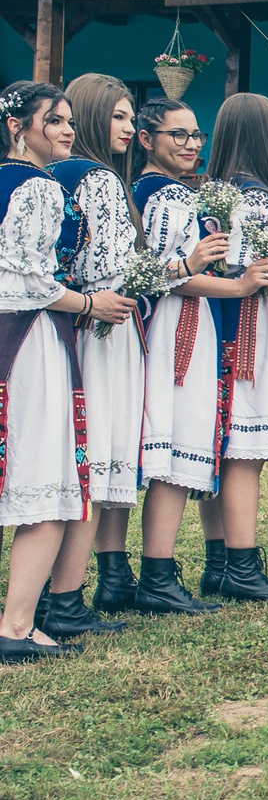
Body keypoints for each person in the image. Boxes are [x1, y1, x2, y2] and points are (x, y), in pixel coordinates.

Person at [0, 82, 135, 659]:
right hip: (30, 337)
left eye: (69, 121)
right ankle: (16, 626)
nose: (65, 130)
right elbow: (28, 280)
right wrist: (87, 304)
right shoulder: (37, 186)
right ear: (17, 127)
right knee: (49, 478)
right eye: (53, 120)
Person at [198, 93, 268, 603]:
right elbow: (263, 277)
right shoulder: (259, 197)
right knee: (244, 447)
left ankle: (218, 559)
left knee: (225, 444)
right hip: (251, 327)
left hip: (216, 321)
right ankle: (241, 565)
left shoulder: (212, 192)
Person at [47, 75, 146, 633]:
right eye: (118, 117)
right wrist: (176, 268)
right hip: (102, 325)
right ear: (89, 117)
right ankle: (67, 601)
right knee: (96, 455)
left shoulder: (49, 174)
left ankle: (48, 593)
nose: (130, 129)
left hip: (62, 323)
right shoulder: (101, 180)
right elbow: (110, 271)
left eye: (131, 118)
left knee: (70, 457)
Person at [132, 98, 229, 614]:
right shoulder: (166, 194)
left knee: (153, 447)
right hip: (176, 327)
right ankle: (158, 575)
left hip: (162, 325)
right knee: (173, 443)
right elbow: (166, 273)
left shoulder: (141, 191)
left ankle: (119, 575)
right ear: (147, 139)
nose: (192, 145)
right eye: (179, 135)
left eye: (197, 136)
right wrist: (235, 287)